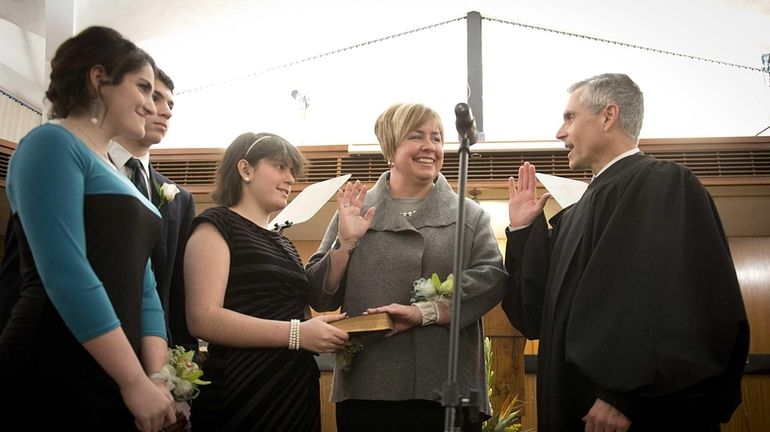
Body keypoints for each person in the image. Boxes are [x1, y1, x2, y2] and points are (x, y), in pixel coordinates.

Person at [502, 73, 749, 431]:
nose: (559, 132)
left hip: (633, 415)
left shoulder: (665, 184)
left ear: (608, 116)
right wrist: (523, 232)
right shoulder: (573, 215)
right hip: (574, 411)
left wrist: (628, 396)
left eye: (570, 117)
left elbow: (683, 305)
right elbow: (536, 317)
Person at [0, 26, 176, 431]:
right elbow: (66, 272)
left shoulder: (121, 175)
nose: (152, 106)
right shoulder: (51, 144)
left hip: (120, 370)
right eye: (144, 89)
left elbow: (145, 289)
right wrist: (132, 380)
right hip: (55, 360)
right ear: (100, 79)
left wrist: (159, 378)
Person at [305, 102, 508, 432]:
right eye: (417, 136)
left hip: (449, 390)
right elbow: (320, 297)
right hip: (368, 387)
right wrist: (344, 246)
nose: (430, 146)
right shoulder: (353, 211)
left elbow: (492, 279)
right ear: (391, 147)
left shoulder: (469, 215)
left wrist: (425, 312)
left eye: (438, 138)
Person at [184, 132, 350, 431]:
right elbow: (203, 319)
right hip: (242, 387)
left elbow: (300, 309)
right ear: (245, 169)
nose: (289, 179)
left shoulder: (283, 243)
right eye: (279, 167)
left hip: (294, 389)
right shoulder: (215, 226)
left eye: (292, 171)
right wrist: (297, 334)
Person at [109, 69, 197, 351]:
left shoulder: (180, 199)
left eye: (171, 104)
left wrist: (183, 358)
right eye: (154, 97)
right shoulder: (80, 173)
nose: (166, 111)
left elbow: (178, 290)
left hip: (157, 348)